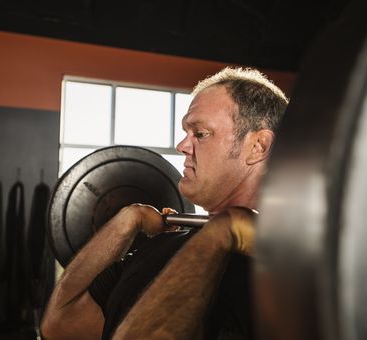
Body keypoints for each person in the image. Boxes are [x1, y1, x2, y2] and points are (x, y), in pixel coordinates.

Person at [40, 67, 289, 339]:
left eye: (200, 133)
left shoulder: (289, 272)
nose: (182, 145)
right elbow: (59, 324)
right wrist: (125, 222)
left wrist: (218, 236)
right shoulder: (158, 245)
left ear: (258, 146)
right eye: (186, 131)